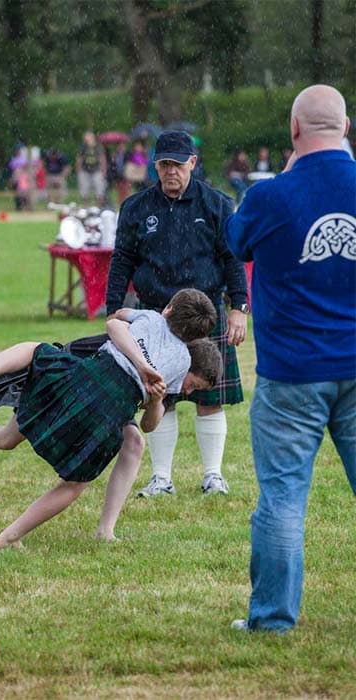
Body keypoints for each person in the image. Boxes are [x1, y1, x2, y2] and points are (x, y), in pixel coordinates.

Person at [0, 289, 221, 548]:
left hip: (77, 382)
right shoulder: (178, 360)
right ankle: (9, 535)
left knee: (35, 354)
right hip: (97, 391)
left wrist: (154, 392)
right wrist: (145, 371)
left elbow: (116, 319)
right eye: (193, 386)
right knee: (73, 482)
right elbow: (116, 329)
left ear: (169, 309)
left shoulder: (149, 319)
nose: (189, 391)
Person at [224, 84, 355, 633]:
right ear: (345, 127)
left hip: (291, 375)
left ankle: (273, 619)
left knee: (282, 499)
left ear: (294, 130)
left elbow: (236, 242)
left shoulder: (270, 195)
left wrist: (283, 180)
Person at [106, 130, 249, 499]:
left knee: (209, 395)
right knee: (158, 393)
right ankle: (161, 478)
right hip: (154, 312)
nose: (171, 172)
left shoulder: (217, 205)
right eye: (163, 164)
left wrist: (239, 308)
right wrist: (112, 311)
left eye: (177, 164)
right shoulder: (136, 208)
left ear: (192, 163)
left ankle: (213, 476)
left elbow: (231, 259)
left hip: (204, 314)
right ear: (155, 165)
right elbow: (122, 260)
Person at [76, 131, 107, 207]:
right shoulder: (83, 147)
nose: (86, 140)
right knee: (84, 190)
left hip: (96, 170)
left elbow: (102, 159)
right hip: (84, 171)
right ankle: (85, 206)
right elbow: (79, 159)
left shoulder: (98, 147)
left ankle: (99, 206)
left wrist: (103, 171)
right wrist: (78, 171)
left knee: (99, 189)